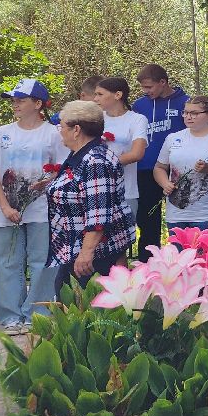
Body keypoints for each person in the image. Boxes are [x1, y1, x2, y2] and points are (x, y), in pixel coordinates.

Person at [0, 80, 66, 331]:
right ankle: (9, 315)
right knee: (8, 261)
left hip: (42, 209)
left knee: (41, 261)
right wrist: (5, 206)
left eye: (20, 100)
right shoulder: (2, 133)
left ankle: (37, 314)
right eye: (13, 100)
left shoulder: (54, 134)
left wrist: (41, 185)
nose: (15, 104)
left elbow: (61, 171)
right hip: (6, 210)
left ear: (38, 104)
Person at [47, 100, 134, 295]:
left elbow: (98, 214)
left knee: (81, 313)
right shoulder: (82, 156)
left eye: (61, 125)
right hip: (79, 249)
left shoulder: (95, 161)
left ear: (76, 129)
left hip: (94, 255)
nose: (59, 130)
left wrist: (86, 253)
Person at [154, 96, 208, 231]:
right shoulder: (173, 138)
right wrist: (165, 183)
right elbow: (160, 167)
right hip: (176, 214)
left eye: (194, 113)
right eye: (185, 112)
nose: (188, 117)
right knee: (178, 252)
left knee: (204, 252)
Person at [132, 64, 189, 256]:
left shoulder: (185, 103)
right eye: (142, 88)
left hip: (177, 170)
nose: (145, 92)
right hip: (146, 169)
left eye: (149, 87)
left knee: (181, 218)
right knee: (148, 220)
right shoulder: (139, 105)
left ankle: (182, 261)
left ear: (163, 82)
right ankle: (147, 265)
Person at [94, 77, 149, 241]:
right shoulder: (94, 119)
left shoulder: (137, 119)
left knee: (120, 244)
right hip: (95, 189)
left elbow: (137, 153)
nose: (95, 98)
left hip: (125, 190)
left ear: (118, 95)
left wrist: (105, 164)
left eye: (100, 94)